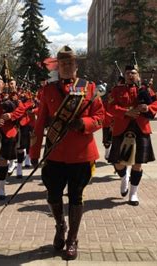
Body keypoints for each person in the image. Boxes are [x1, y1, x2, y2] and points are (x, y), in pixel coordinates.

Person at [29, 45, 105, 260]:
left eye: (70, 63)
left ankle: (72, 238)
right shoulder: (47, 90)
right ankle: (60, 225)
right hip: (54, 153)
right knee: (53, 195)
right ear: (57, 66)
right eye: (62, 64)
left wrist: (84, 123)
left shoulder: (89, 88)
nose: (66, 67)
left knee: (76, 197)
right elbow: (39, 123)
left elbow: (101, 117)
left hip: (81, 154)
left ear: (76, 66)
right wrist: (34, 152)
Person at [107, 64, 157, 206]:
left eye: (133, 73)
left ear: (138, 75)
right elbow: (110, 107)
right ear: (124, 76)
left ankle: (133, 193)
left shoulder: (146, 90)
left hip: (141, 129)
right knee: (118, 163)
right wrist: (125, 112)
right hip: (122, 129)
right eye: (127, 73)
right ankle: (124, 176)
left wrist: (148, 107)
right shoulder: (117, 90)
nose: (130, 75)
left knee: (138, 163)